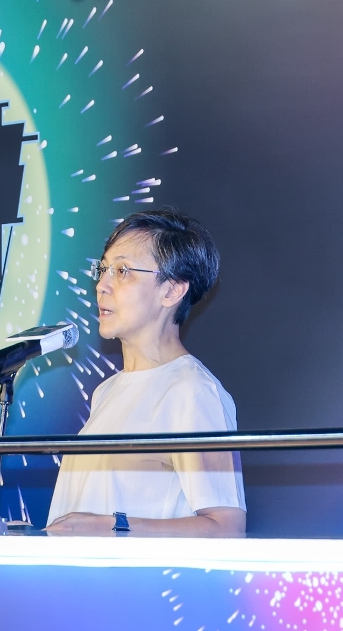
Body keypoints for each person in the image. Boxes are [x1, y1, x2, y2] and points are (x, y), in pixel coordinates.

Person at [45, 208, 246, 536]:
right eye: (103, 269)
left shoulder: (192, 391)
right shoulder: (106, 392)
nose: (102, 285)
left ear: (172, 290)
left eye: (122, 271)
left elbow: (227, 528)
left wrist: (112, 526)